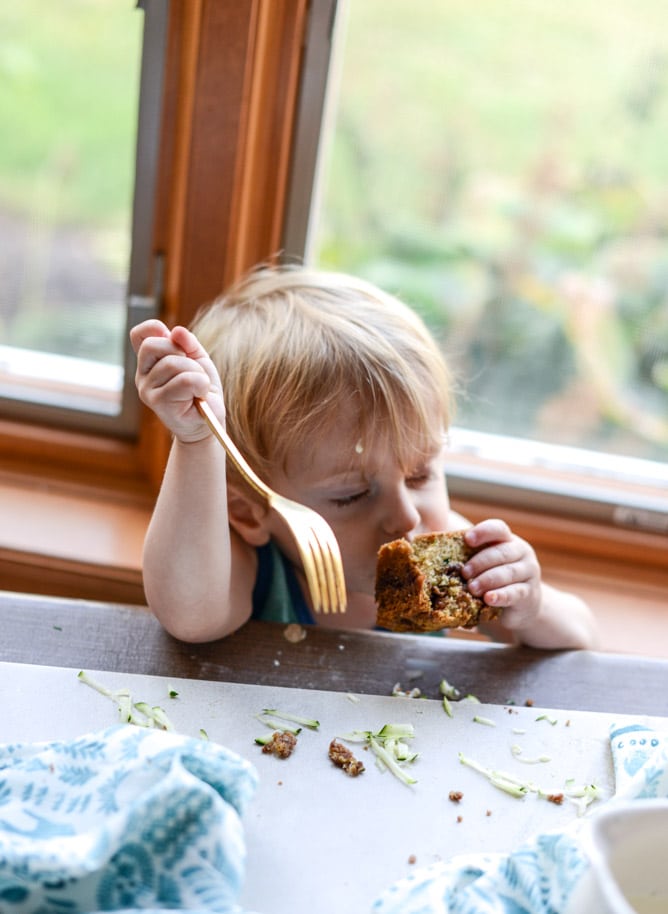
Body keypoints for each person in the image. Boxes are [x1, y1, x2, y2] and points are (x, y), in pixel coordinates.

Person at [131, 264, 599, 650]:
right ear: (249, 512)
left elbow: (581, 638)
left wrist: (529, 604)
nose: (406, 516)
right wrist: (196, 443)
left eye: (420, 474)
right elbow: (189, 615)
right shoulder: (252, 567)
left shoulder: (450, 550)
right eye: (353, 494)